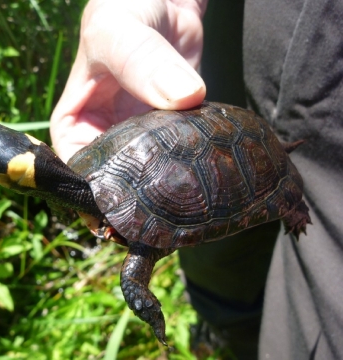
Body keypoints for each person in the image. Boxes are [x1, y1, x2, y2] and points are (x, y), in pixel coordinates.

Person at [50, 0, 343, 358]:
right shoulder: (77, 177)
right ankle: (227, 329)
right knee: (217, 262)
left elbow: (135, 270)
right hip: (238, 27)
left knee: (319, 295)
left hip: (326, 77)